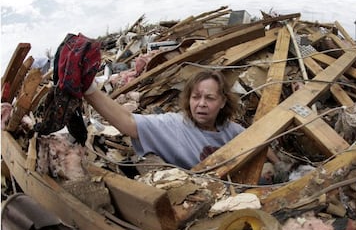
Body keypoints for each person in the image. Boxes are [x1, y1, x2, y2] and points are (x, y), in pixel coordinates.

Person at [84, 69, 245, 169]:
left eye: (210, 98)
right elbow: (129, 122)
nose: (201, 104)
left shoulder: (232, 131)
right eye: (196, 97)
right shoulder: (174, 125)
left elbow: (261, 143)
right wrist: (89, 89)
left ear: (223, 101)